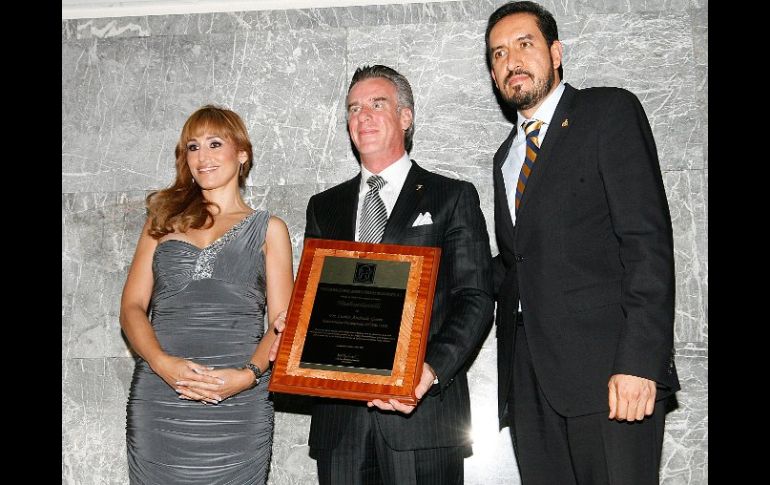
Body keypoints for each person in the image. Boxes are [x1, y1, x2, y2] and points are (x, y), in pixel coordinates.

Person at [485, 2, 680, 484]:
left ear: (556, 53)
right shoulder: (504, 158)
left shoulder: (607, 112)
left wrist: (640, 362)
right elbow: (517, 264)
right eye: (498, 54)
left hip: (610, 378)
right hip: (531, 387)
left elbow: (646, 242)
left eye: (524, 44)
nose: (511, 61)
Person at [295, 64, 494, 484]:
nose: (362, 116)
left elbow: (475, 298)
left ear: (405, 117)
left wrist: (430, 371)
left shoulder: (451, 197)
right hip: (340, 427)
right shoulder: (324, 207)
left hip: (423, 418)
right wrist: (296, 326)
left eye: (376, 104)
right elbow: (315, 301)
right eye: (353, 108)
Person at [119, 104, 294, 484]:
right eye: (193, 147)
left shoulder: (270, 229)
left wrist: (247, 376)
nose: (203, 157)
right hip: (160, 397)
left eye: (215, 144)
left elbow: (283, 324)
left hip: (239, 403)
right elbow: (131, 307)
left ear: (242, 153)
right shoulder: (161, 222)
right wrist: (162, 364)